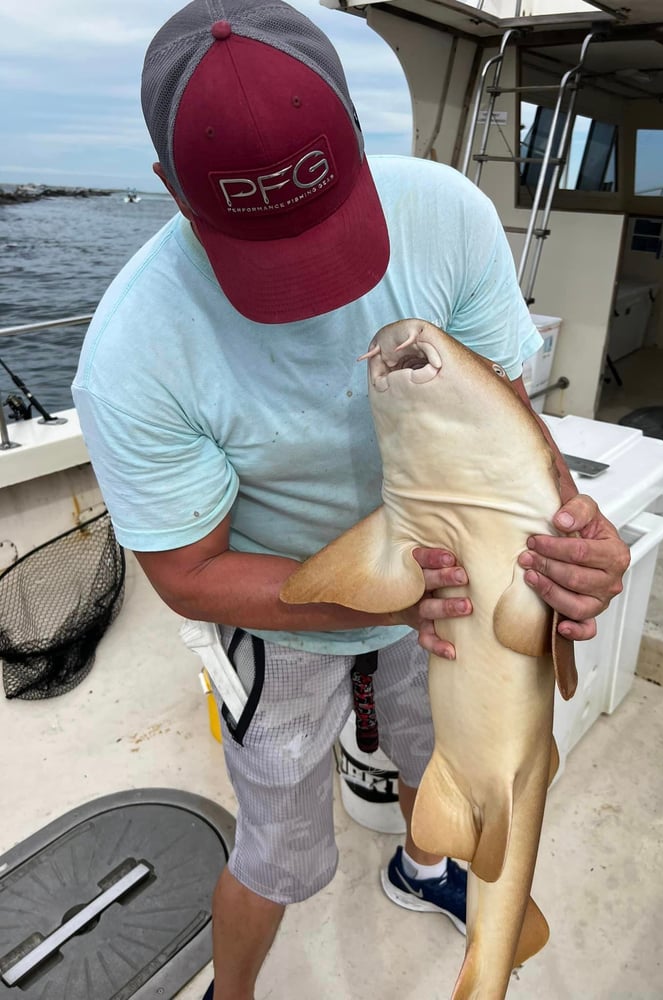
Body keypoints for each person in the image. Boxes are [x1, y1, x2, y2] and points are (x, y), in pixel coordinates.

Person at [72, 2, 630, 998]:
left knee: (444, 754)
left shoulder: (448, 216)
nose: (324, 298)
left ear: (358, 136)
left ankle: (424, 863)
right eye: (270, 249)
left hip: (446, 581)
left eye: (325, 224)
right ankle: (233, 992)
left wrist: (571, 529)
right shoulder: (135, 355)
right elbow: (191, 574)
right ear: (167, 188)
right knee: (275, 848)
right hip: (282, 603)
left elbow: (505, 412)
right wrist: (382, 598)